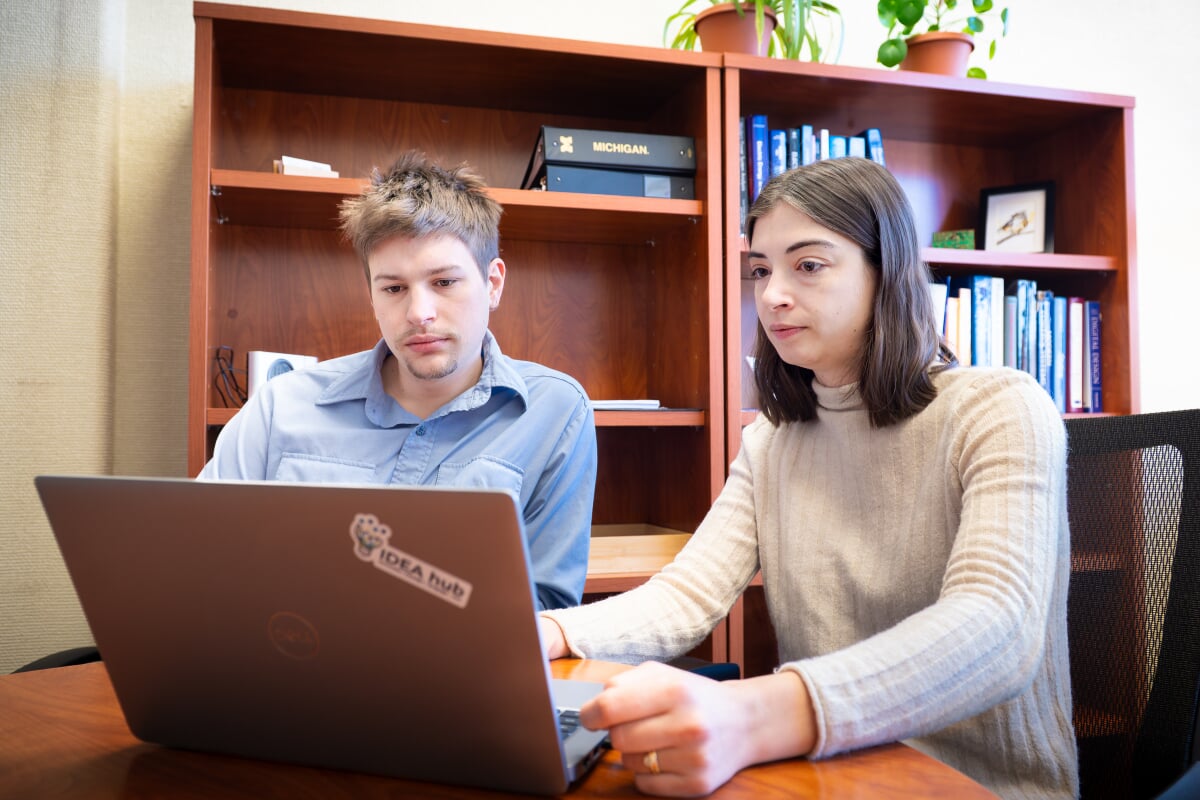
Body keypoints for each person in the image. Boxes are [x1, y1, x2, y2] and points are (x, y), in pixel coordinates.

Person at [539, 156, 1077, 798]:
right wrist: (545, 633)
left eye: (809, 265)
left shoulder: (1001, 409)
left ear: (887, 272)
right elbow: (686, 596)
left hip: (973, 783)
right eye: (761, 270)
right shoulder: (771, 441)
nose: (771, 295)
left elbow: (997, 626)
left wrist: (755, 712)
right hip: (831, 770)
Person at [200, 151, 598, 611]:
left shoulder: (555, 411)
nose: (418, 314)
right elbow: (202, 557)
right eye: (393, 289)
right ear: (371, 295)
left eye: (445, 283)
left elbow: (548, 610)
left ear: (493, 283)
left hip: (460, 675)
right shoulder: (280, 405)